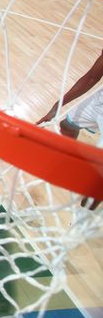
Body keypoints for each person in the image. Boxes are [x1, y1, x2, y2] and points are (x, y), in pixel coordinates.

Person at [36, 48, 103, 210]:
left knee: (98, 179)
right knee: (67, 126)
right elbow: (91, 77)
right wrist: (57, 106)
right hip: (99, 103)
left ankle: (85, 216)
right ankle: (69, 161)